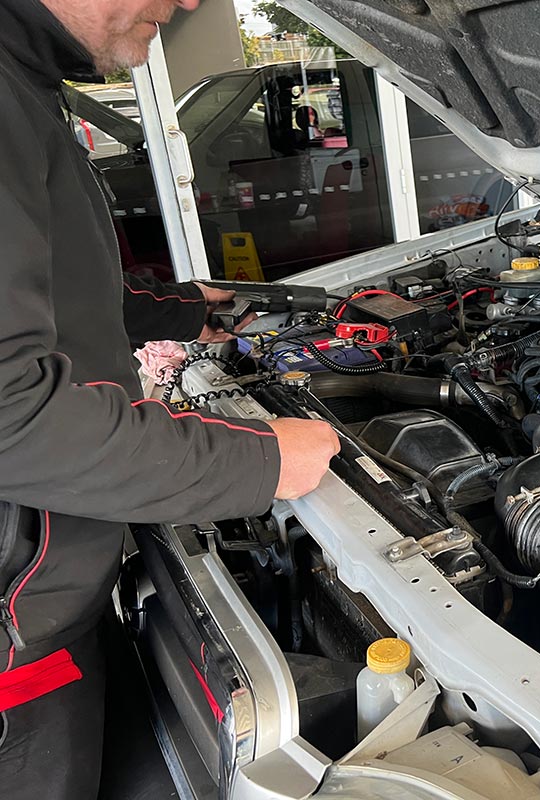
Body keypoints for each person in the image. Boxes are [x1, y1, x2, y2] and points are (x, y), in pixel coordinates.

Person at [0, 1, 341, 797]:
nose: (191, 0)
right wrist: (260, 460)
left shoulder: (22, 78)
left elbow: (55, 296)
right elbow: (11, 414)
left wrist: (191, 310)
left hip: (56, 603)